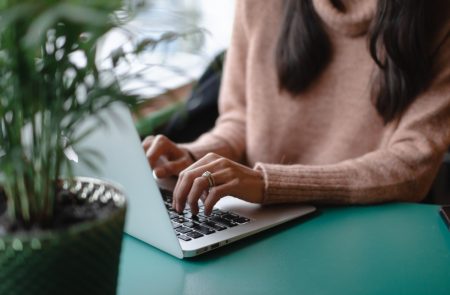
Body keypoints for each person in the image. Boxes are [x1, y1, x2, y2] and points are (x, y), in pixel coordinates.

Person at [143, 0, 450, 216]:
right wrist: (194, 157)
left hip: (365, 226)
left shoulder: (439, 16)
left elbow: (412, 164)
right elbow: (240, 118)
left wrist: (268, 184)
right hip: (260, 216)